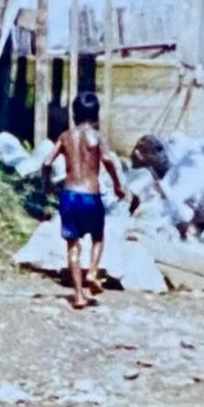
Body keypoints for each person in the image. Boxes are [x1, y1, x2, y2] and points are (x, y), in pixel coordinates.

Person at [45, 92, 136, 310]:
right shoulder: (97, 136)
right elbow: (107, 159)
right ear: (96, 115)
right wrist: (117, 185)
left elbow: (47, 162)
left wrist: (46, 185)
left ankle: (77, 295)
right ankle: (93, 272)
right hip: (91, 195)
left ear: (74, 114)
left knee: (73, 246)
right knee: (97, 237)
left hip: (69, 195)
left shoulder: (65, 136)